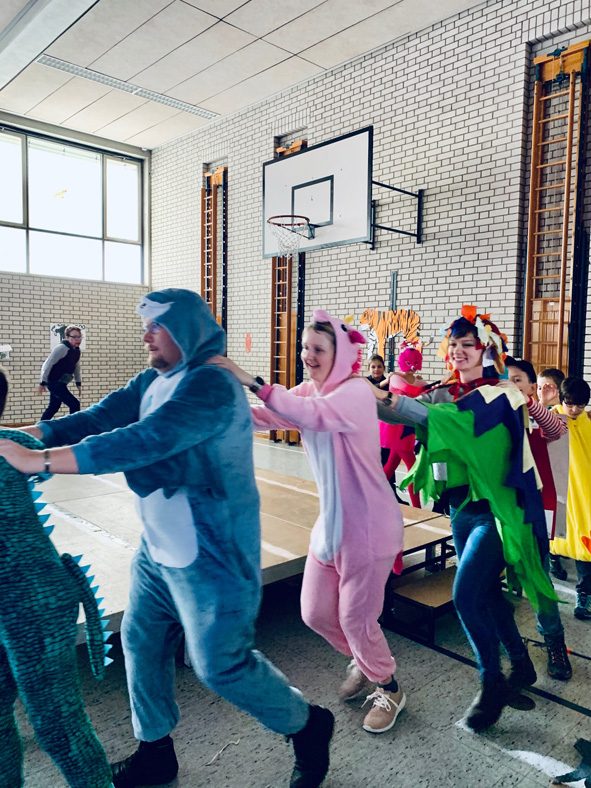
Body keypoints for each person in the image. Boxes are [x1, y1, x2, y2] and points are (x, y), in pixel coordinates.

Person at [0, 289, 334, 788]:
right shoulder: (152, 380)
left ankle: (307, 725)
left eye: (156, 326)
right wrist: (26, 435)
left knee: (219, 666)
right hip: (158, 552)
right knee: (140, 640)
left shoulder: (212, 387)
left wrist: (38, 461)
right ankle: (155, 750)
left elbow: (144, 440)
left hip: (215, 559)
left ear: (185, 330)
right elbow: (98, 417)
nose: (146, 336)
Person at [212, 310, 406, 735]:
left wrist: (250, 379)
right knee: (315, 613)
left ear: (339, 356)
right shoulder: (309, 392)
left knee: (356, 619)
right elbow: (272, 415)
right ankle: (365, 660)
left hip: (369, 529)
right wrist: (219, 409)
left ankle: (389, 687)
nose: (307, 355)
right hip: (331, 527)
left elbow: (310, 415)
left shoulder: (355, 392)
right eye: (304, 347)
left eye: (317, 349)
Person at [374, 306, 556, 732]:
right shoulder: (442, 392)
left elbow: (449, 420)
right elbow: (400, 414)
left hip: (498, 510)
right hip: (460, 510)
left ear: (486, 350)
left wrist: (386, 396)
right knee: (486, 593)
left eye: (468, 345)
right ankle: (521, 664)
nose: (458, 351)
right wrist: (358, 395)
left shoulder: (503, 395)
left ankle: (492, 682)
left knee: (466, 596)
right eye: (453, 344)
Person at [0, 367, 114, 788]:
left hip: (35, 603)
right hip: (17, 601)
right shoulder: (12, 445)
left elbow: (42, 447)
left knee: (57, 724)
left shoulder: (7, 452)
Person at [505, 357, 571, 680]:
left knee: (538, 577)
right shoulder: (495, 416)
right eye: (505, 379)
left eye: (517, 379)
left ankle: (554, 641)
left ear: (533, 388)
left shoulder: (540, 416)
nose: (509, 385)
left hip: (533, 510)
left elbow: (557, 429)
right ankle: (510, 647)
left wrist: (529, 403)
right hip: (499, 510)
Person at [550, 377, 591, 621]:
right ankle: (553, 560)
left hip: (584, 493)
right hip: (558, 492)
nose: (574, 409)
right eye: (570, 403)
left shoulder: (588, 423)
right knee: (554, 535)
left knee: (586, 544)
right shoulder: (551, 418)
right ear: (561, 399)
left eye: (580, 405)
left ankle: (584, 596)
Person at [380, 341, 428, 509]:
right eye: (409, 362)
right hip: (396, 428)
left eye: (415, 363)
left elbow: (425, 395)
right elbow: (409, 391)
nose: (412, 367)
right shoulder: (396, 377)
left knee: (391, 466)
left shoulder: (414, 379)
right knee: (412, 468)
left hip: (408, 427)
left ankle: (372, 497)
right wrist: (422, 385)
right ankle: (416, 507)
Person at [536, 367, 568, 579]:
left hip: (566, 475)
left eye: (547, 387)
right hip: (545, 477)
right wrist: (542, 403)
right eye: (539, 387)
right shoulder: (541, 411)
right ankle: (553, 557)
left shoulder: (569, 412)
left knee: (563, 516)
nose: (542, 391)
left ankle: (559, 552)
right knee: (550, 519)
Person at [38, 325, 83, 420]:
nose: (78, 339)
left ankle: (40, 426)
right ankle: (72, 427)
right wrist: (43, 382)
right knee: (74, 404)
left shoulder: (76, 351)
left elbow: (76, 367)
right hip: (54, 382)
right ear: (67, 337)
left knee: (53, 407)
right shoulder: (62, 348)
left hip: (61, 383)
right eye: (75, 337)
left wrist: (78, 383)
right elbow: (47, 365)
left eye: (79, 337)